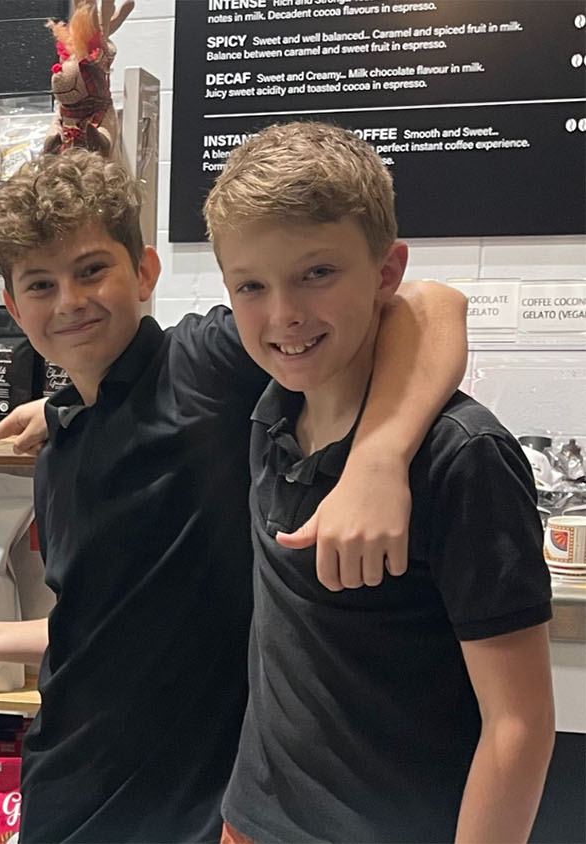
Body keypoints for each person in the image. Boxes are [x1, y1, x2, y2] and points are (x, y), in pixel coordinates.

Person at [0, 147, 469, 842]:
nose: (70, 302)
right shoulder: (59, 455)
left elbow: (427, 305)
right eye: (41, 286)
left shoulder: (204, 366)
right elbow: (109, 630)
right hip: (66, 791)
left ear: (143, 271)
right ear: (15, 309)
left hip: (198, 805)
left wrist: (379, 459)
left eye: (92, 270)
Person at [207, 121, 554, 844]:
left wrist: (381, 457)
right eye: (252, 285)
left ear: (385, 272)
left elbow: (519, 726)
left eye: (318, 273)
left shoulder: (461, 457)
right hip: (251, 821)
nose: (285, 314)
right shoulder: (269, 413)